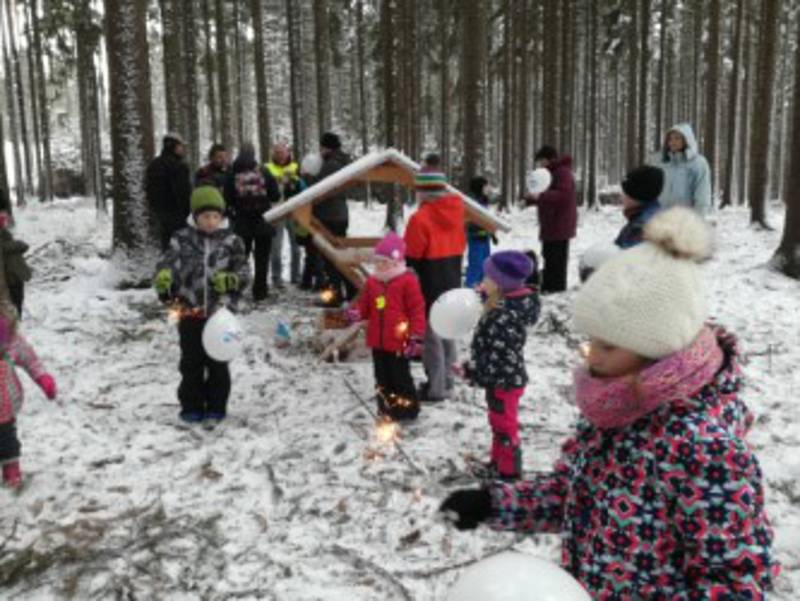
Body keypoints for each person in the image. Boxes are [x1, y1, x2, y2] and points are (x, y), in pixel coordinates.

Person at [439, 207, 778, 598]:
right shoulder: (613, 411)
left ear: (659, 349)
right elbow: (572, 494)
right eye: (592, 341)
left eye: (608, 345)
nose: (592, 357)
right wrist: (493, 504)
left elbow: (737, 584)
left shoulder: (705, 450)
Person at [154, 186, 250, 425]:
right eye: (205, 216)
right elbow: (168, 263)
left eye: (216, 216)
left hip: (221, 315)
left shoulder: (232, 241)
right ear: (195, 216)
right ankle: (192, 405)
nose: (211, 221)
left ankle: (217, 406)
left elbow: (244, 271)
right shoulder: (181, 239)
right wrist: (164, 276)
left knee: (218, 364)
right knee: (191, 362)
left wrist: (232, 280)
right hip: (190, 312)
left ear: (222, 217)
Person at [458, 251, 540, 480]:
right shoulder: (510, 306)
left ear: (501, 284)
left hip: (503, 381)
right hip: (503, 379)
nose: (482, 281)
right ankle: (498, 464)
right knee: (499, 425)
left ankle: (509, 472)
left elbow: (498, 358)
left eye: (487, 278)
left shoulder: (501, 317)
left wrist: (471, 372)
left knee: (505, 427)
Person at [347, 232, 426, 421]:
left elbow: (417, 311)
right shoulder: (373, 282)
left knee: (400, 377)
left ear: (396, 262)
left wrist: (416, 336)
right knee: (382, 378)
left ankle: (408, 410)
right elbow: (364, 304)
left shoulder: (407, 281)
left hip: (399, 341)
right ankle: (386, 409)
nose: (380, 265)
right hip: (378, 341)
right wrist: (357, 312)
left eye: (384, 261)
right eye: (377, 261)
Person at [404, 160, 466, 402]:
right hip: (451, 280)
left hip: (428, 284)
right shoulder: (457, 214)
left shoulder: (420, 219)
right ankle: (449, 382)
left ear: (422, 192)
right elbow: (462, 246)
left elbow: (411, 257)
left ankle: (435, 388)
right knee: (448, 334)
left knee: (432, 341)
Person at [0, 314, 57, 488]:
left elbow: (30, 360)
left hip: (4, 406)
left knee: (7, 440)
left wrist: (43, 378)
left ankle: (12, 470)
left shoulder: (9, 338)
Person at [224, 143, 280, 302]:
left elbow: (227, 198)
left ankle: (237, 289)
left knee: (241, 258)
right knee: (262, 258)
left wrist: (233, 212)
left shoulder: (232, 173)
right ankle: (260, 291)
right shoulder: (263, 171)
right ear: (254, 154)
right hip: (263, 222)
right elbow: (275, 195)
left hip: (242, 222)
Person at [522, 145, 577, 294]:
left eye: (541, 161)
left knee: (557, 259)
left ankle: (556, 288)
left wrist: (540, 196)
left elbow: (562, 195)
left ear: (549, 159)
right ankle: (549, 286)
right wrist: (531, 199)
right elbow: (546, 193)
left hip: (560, 224)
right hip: (550, 223)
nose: (540, 165)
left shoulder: (562, 173)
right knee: (548, 255)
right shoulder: (549, 173)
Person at [310, 132, 353, 307]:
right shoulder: (341, 162)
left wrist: (307, 176)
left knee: (330, 258)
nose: (320, 151)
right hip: (339, 215)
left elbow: (318, 188)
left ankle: (335, 296)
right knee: (338, 255)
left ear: (327, 147)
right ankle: (351, 290)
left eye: (322, 147)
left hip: (330, 216)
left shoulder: (331, 164)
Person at [651, 122, 712, 217]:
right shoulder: (660, 162)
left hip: (685, 219)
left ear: (687, 140)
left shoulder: (698, 163)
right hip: (661, 217)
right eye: (670, 139)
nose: (672, 142)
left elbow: (702, 195)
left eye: (677, 138)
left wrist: (698, 219)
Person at [266, 143, 303, 289]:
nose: (280, 155)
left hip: (294, 211)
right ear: (273, 154)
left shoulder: (295, 167)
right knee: (276, 247)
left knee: (296, 246)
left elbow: (303, 188)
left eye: (283, 152)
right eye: (277, 152)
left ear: (288, 153)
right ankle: (276, 278)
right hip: (276, 212)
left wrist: (293, 182)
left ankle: (296, 276)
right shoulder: (267, 168)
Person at [146, 133, 192, 251]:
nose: (182, 149)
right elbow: (183, 193)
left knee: (166, 246)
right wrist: (186, 212)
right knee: (180, 248)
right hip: (177, 215)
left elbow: (148, 190)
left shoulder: (154, 164)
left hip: (160, 216)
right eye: (180, 146)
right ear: (173, 146)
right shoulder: (179, 166)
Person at [614, 165, 664, 249]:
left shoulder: (641, 228)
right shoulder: (647, 218)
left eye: (625, 193)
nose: (621, 197)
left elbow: (627, 258)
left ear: (637, 196)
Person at [0, 211, 32, 317]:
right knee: (15, 304)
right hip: (13, 279)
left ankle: (15, 322)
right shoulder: (7, 237)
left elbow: (23, 246)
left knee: (14, 305)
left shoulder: (6, 237)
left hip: (13, 279)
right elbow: (23, 246)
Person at [464, 176, 494, 288]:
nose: (488, 188)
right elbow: (470, 221)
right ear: (479, 187)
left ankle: (481, 288)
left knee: (486, 265)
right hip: (475, 238)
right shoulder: (472, 201)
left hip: (485, 238)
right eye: (486, 186)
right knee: (476, 266)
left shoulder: (483, 199)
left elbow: (486, 219)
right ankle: (469, 288)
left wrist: (491, 232)